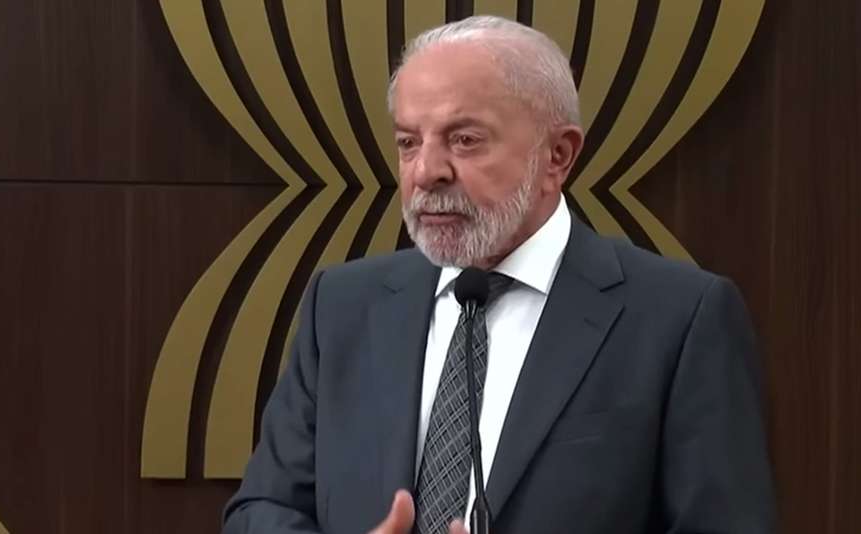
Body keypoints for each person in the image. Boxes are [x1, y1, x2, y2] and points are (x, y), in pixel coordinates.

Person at [223, 15, 775, 534]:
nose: (426, 172)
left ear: (557, 156)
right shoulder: (342, 305)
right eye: (409, 142)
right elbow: (262, 509)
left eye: (464, 140)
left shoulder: (680, 319)